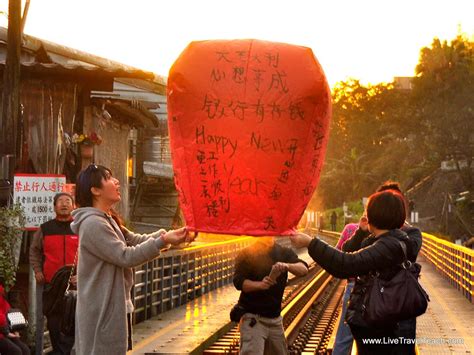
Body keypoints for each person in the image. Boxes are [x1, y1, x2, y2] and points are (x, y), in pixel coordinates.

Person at [70, 164, 191, 355]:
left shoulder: (106, 218)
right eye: (108, 178)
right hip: (103, 309)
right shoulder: (93, 223)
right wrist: (163, 240)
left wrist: (168, 236)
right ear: (95, 190)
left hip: (113, 306)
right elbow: (125, 256)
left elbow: (134, 240)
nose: (116, 181)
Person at [291, 189, 423, 354]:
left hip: (384, 331)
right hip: (388, 325)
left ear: (374, 216)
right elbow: (345, 261)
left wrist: (310, 243)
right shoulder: (386, 241)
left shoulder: (387, 246)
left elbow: (346, 264)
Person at [233, 237, 308, 355]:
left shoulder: (283, 252)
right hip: (253, 318)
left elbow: (303, 269)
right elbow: (238, 282)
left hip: (275, 319)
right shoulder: (247, 253)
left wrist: (287, 266)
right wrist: (260, 285)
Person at [29, 192, 78, 354]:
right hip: (52, 285)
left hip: (76, 284)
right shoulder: (45, 228)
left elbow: (90, 253)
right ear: (54, 206)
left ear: (74, 206)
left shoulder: (79, 227)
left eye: (68, 201)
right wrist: (37, 270)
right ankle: (59, 351)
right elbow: (34, 251)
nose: (64, 204)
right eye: (60, 201)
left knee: (75, 321)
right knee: (54, 321)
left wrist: (83, 275)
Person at [332, 222, 358, 355]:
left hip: (353, 286)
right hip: (382, 291)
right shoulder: (390, 230)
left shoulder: (350, 229)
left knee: (344, 338)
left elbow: (337, 254)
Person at [0, 283, 30, 355]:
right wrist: (6, 332)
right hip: (3, 332)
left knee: (25, 350)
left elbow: (8, 310)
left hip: (5, 330)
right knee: (15, 352)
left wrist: (14, 329)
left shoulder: (1, 291)